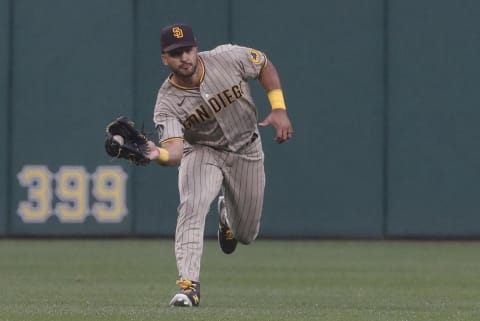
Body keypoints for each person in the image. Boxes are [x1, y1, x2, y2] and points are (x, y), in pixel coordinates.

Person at [145, 23, 293, 307]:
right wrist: (158, 155)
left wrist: (278, 108)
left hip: (246, 147)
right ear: (165, 59)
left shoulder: (227, 57)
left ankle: (227, 217)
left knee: (247, 234)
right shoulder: (166, 102)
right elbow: (175, 152)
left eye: (187, 49)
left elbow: (263, 65)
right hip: (203, 151)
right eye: (176, 53)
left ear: (196, 47)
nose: (184, 57)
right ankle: (188, 286)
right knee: (192, 205)